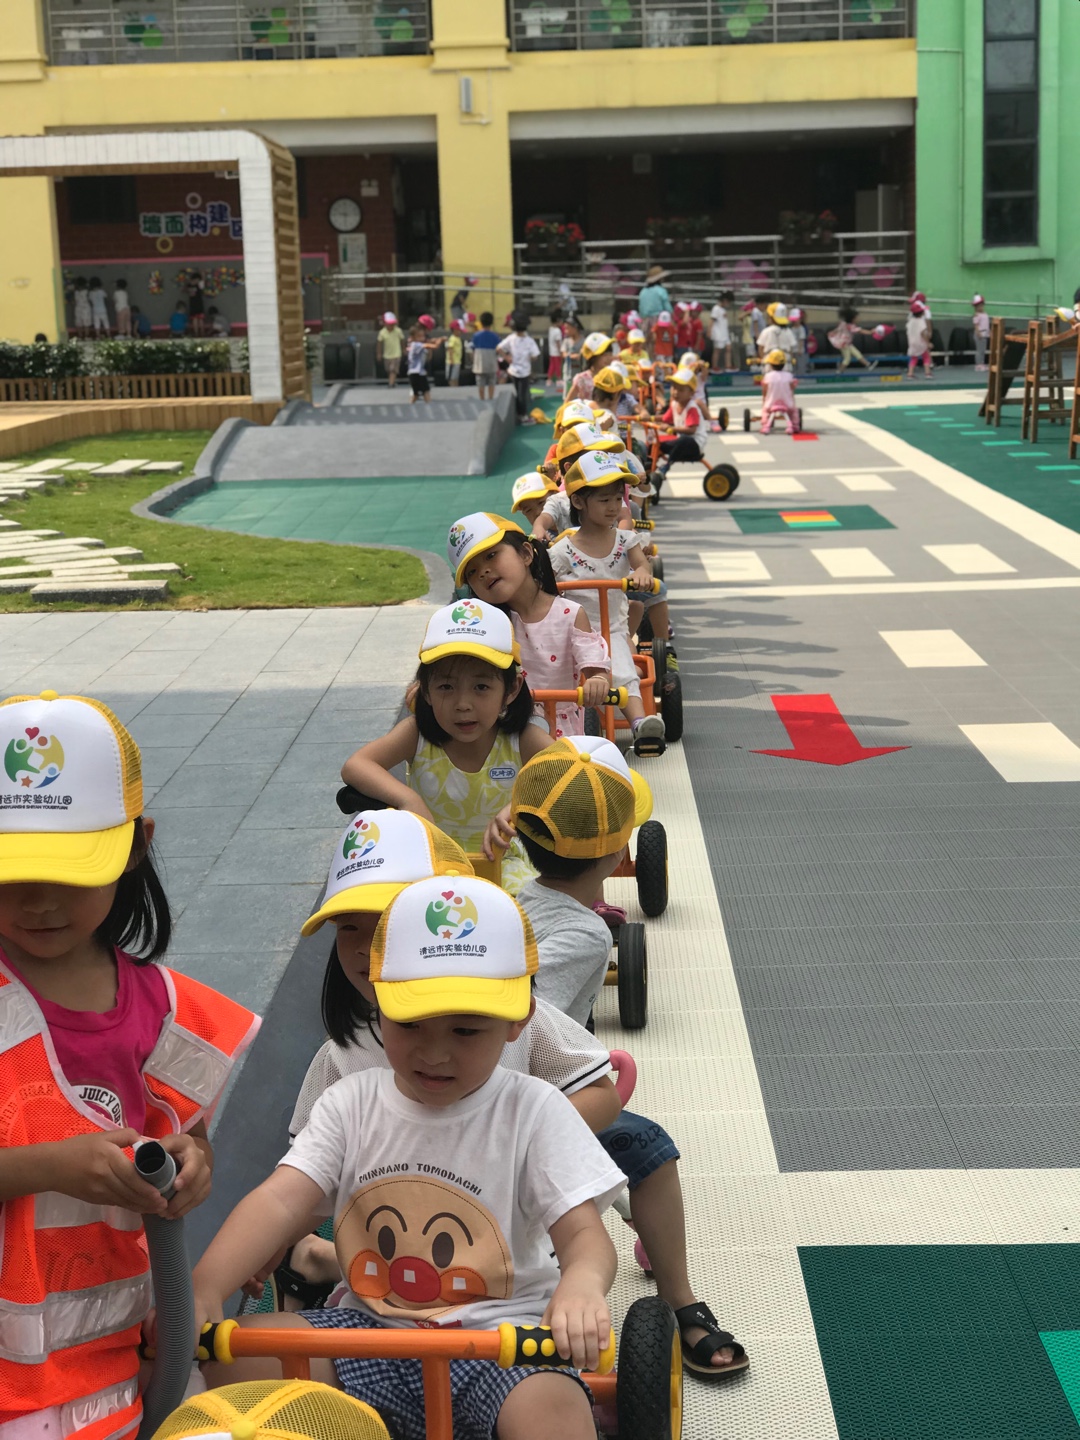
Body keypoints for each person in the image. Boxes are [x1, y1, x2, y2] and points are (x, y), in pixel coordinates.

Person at [283, 806, 747, 1381]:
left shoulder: (500, 1013)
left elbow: (601, 1089)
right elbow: (298, 1180)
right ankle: (320, 1261)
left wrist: (519, 1142)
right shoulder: (342, 1056)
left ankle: (680, 1298)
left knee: (647, 1147)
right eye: (348, 928)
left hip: (513, 1187)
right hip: (408, 1224)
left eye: (385, 923)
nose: (364, 947)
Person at [195, 874, 624, 1440]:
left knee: (551, 1409)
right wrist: (204, 1287)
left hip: (501, 1343)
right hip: (370, 1332)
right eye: (411, 1023)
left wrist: (582, 1284)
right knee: (228, 1355)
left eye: (466, 1030)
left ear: (518, 1020)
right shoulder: (350, 1104)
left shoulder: (534, 1110)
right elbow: (281, 1200)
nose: (435, 1052)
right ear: (376, 1001)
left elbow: (585, 1235)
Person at [0, 689, 258, 1439]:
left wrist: (193, 1167)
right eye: (11, 872)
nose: (38, 901)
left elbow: (189, 1141)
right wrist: (47, 1167)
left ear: (137, 846)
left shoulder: (168, 1011)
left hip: (116, 1358)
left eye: (70, 872)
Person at [512, 738, 750, 1379]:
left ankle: (631, 1220)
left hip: (515, 1085)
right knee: (649, 1149)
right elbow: (521, 1022)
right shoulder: (586, 933)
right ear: (621, 852)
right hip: (524, 1098)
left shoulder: (517, 898)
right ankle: (681, 1301)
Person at [340, 596, 553, 891]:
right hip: (428, 861)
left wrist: (518, 806)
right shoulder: (417, 734)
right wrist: (409, 800)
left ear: (512, 689)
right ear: (425, 691)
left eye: (481, 687)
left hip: (503, 861)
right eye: (446, 687)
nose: (462, 704)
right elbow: (356, 765)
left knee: (526, 903)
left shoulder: (521, 739)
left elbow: (569, 773)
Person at [456, 509, 610, 741]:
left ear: (526, 554)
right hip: (504, 729)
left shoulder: (569, 614)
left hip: (559, 730)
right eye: (472, 572)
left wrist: (598, 680)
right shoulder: (484, 624)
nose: (483, 572)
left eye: (491, 556)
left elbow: (594, 666)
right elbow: (458, 663)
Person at [549, 451, 666, 750]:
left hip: (612, 628)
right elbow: (545, 583)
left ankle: (641, 724)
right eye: (604, 500)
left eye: (617, 498)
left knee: (623, 670)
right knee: (563, 677)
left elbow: (642, 565)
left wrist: (642, 574)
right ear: (578, 502)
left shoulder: (625, 541)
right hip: (577, 632)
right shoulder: (563, 550)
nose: (614, 507)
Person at [653, 365, 708, 481]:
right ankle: (648, 466)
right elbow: (665, 418)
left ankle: (666, 466)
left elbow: (691, 430)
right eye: (674, 388)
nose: (676, 392)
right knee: (656, 443)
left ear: (691, 393)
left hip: (694, 445)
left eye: (681, 390)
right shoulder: (674, 404)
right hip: (680, 443)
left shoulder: (691, 408)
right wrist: (648, 418)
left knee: (684, 440)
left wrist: (672, 428)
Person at [498, 311, 542, 424]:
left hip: (513, 371)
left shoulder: (511, 338)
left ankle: (520, 414)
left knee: (519, 393)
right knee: (522, 394)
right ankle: (523, 416)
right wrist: (529, 358)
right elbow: (535, 356)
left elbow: (499, 348)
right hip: (524, 371)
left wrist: (507, 357)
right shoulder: (529, 341)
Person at [565, 331, 616, 404]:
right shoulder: (582, 379)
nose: (609, 358)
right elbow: (566, 403)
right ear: (593, 357)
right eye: (604, 355)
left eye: (610, 354)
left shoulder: (613, 376)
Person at [760, 348, 800, 434]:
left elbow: (764, 390)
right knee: (794, 411)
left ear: (770, 364)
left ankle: (765, 424)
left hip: (771, 403)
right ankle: (795, 425)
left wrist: (764, 400)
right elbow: (792, 388)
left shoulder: (768, 376)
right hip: (787, 403)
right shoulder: (789, 376)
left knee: (765, 411)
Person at [405, 321, 443, 406]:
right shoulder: (416, 345)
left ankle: (414, 404)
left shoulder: (417, 344)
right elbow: (434, 346)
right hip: (416, 373)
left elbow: (429, 342)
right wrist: (440, 341)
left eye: (423, 336)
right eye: (419, 336)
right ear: (413, 337)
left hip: (418, 372)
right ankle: (428, 405)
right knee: (424, 391)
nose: (422, 338)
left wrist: (435, 340)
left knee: (419, 393)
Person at [828, 306, 876, 371]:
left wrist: (832, 332)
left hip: (847, 343)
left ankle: (868, 365)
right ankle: (839, 371)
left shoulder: (843, 323)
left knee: (857, 353)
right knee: (847, 359)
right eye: (857, 318)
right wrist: (870, 332)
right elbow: (860, 331)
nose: (858, 319)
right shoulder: (851, 326)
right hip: (844, 344)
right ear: (852, 319)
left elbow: (838, 329)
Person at [470, 310, 500, 401]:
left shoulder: (476, 336)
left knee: (480, 382)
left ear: (481, 322)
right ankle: (491, 398)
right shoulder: (495, 336)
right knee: (492, 381)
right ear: (492, 322)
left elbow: (471, 348)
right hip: (491, 362)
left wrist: (473, 360)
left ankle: (482, 399)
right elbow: (499, 348)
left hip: (480, 362)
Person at [756, 302, 796, 368]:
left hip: (769, 362)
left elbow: (760, 348)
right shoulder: (788, 331)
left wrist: (764, 360)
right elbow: (791, 350)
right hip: (785, 362)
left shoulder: (766, 331)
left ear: (771, 317)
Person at [636, 264, 672, 334]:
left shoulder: (643, 291)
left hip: (645, 322)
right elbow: (667, 308)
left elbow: (641, 309)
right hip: (660, 321)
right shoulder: (661, 291)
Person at [376, 311, 404, 388]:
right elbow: (379, 343)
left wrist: (403, 350)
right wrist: (379, 353)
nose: (391, 326)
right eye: (389, 324)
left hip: (396, 354)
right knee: (388, 369)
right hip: (387, 355)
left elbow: (402, 341)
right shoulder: (382, 332)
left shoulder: (398, 331)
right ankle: (392, 381)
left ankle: (391, 384)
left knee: (393, 369)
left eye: (392, 324)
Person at [907, 300, 933, 380]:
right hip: (921, 342)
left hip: (912, 343)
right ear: (921, 313)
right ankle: (927, 373)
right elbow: (923, 333)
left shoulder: (910, 322)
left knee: (913, 358)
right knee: (926, 357)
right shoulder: (921, 322)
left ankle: (910, 373)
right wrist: (928, 343)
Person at [710, 291, 733, 372]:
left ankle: (728, 366)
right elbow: (712, 320)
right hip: (718, 333)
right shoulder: (716, 309)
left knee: (728, 348)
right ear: (725, 300)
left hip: (725, 333)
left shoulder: (723, 310)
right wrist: (709, 331)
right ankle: (714, 366)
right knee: (717, 350)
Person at [788, 306, 809, 376]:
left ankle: (801, 377)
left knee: (800, 365)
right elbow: (790, 341)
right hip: (793, 350)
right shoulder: (791, 329)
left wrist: (800, 349)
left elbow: (801, 340)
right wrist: (790, 351)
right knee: (793, 366)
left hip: (800, 351)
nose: (795, 321)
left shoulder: (801, 328)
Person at [972, 294, 991, 370]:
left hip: (985, 334)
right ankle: (978, 364)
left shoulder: (985, 314)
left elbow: (986, 324)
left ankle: (982, 363)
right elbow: (976, 325)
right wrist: (978, 333)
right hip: (979, 334)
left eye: (981, 305)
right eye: (978, 306)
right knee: (979, 350)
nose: (980, 307)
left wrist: (989, 332)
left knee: (983, 350)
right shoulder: (977, 315)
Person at [546, 309, 564, 387]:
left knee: (552, 366)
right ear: (558, 321)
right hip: (556, 352)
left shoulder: (551, 329)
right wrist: (561, 352)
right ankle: (559, 380)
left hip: (551, 351)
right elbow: (558, 343)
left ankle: (549, 379)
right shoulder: (557, 331)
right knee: (557, 366)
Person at [445, 317, 465, 386]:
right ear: (454, 330)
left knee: (456, 376)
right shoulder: (452, 338)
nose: (460, 332)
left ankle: (456, 386)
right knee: (452, 377)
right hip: (453, 361)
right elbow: (450, 348)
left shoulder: (458, 338)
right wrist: (451, 359)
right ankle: (452, 387)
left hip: (457, 361)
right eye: (459, 331)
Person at [186, 269, 206, 335]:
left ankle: (197, 333)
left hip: (193, 304)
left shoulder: (189, 285)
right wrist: (202, 274)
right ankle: (201, 333)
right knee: (199, 319)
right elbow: (203, 281)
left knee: (196, 319)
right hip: (198, 304)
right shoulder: (199, 285)